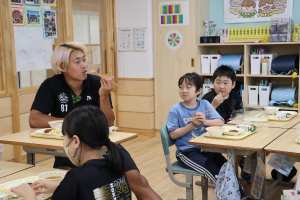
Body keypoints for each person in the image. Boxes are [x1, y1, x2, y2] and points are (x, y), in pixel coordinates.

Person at [29, 41, 161, 200]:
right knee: (73, 181)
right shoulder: (51, 85)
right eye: (77, 62)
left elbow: (109, 123)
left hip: (103, 145)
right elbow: (34, 119)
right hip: (73, 149)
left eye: (84, 59)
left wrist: (104, 95)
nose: (84, 65)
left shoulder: (96, 83)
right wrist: (72, 123)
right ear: (62, 66)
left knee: (139, 181)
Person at [167, 72, 261, 200]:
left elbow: (220, 122)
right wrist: (192, 125)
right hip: (187, 151)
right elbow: (172, 134)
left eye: (188, 87)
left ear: (198, 91)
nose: (184, 90)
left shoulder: (204, 104)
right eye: (181, 87)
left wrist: (205, 121)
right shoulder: (175, 109)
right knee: (215, 171)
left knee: (228, 169)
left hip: (206, 149)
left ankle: (243, 197)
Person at [12, 105, 131, 200]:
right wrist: (61, 187)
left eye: (64, 136)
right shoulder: (116, 164)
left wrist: (29, 196)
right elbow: (97, 192)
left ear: (75, 141)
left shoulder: (76, 177)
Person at [201, 66, 250, 182]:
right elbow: (203, 120)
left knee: (246, 145)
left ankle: (231, 169)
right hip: (212, 135)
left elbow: (240, 116)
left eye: (225, 83)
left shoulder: (236, 97)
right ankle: (227, 173)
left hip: (231, 133)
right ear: (213, 83)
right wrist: (214, 105)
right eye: (218, 82)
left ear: (233, 84)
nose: (221, 86)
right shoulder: (207, 98)